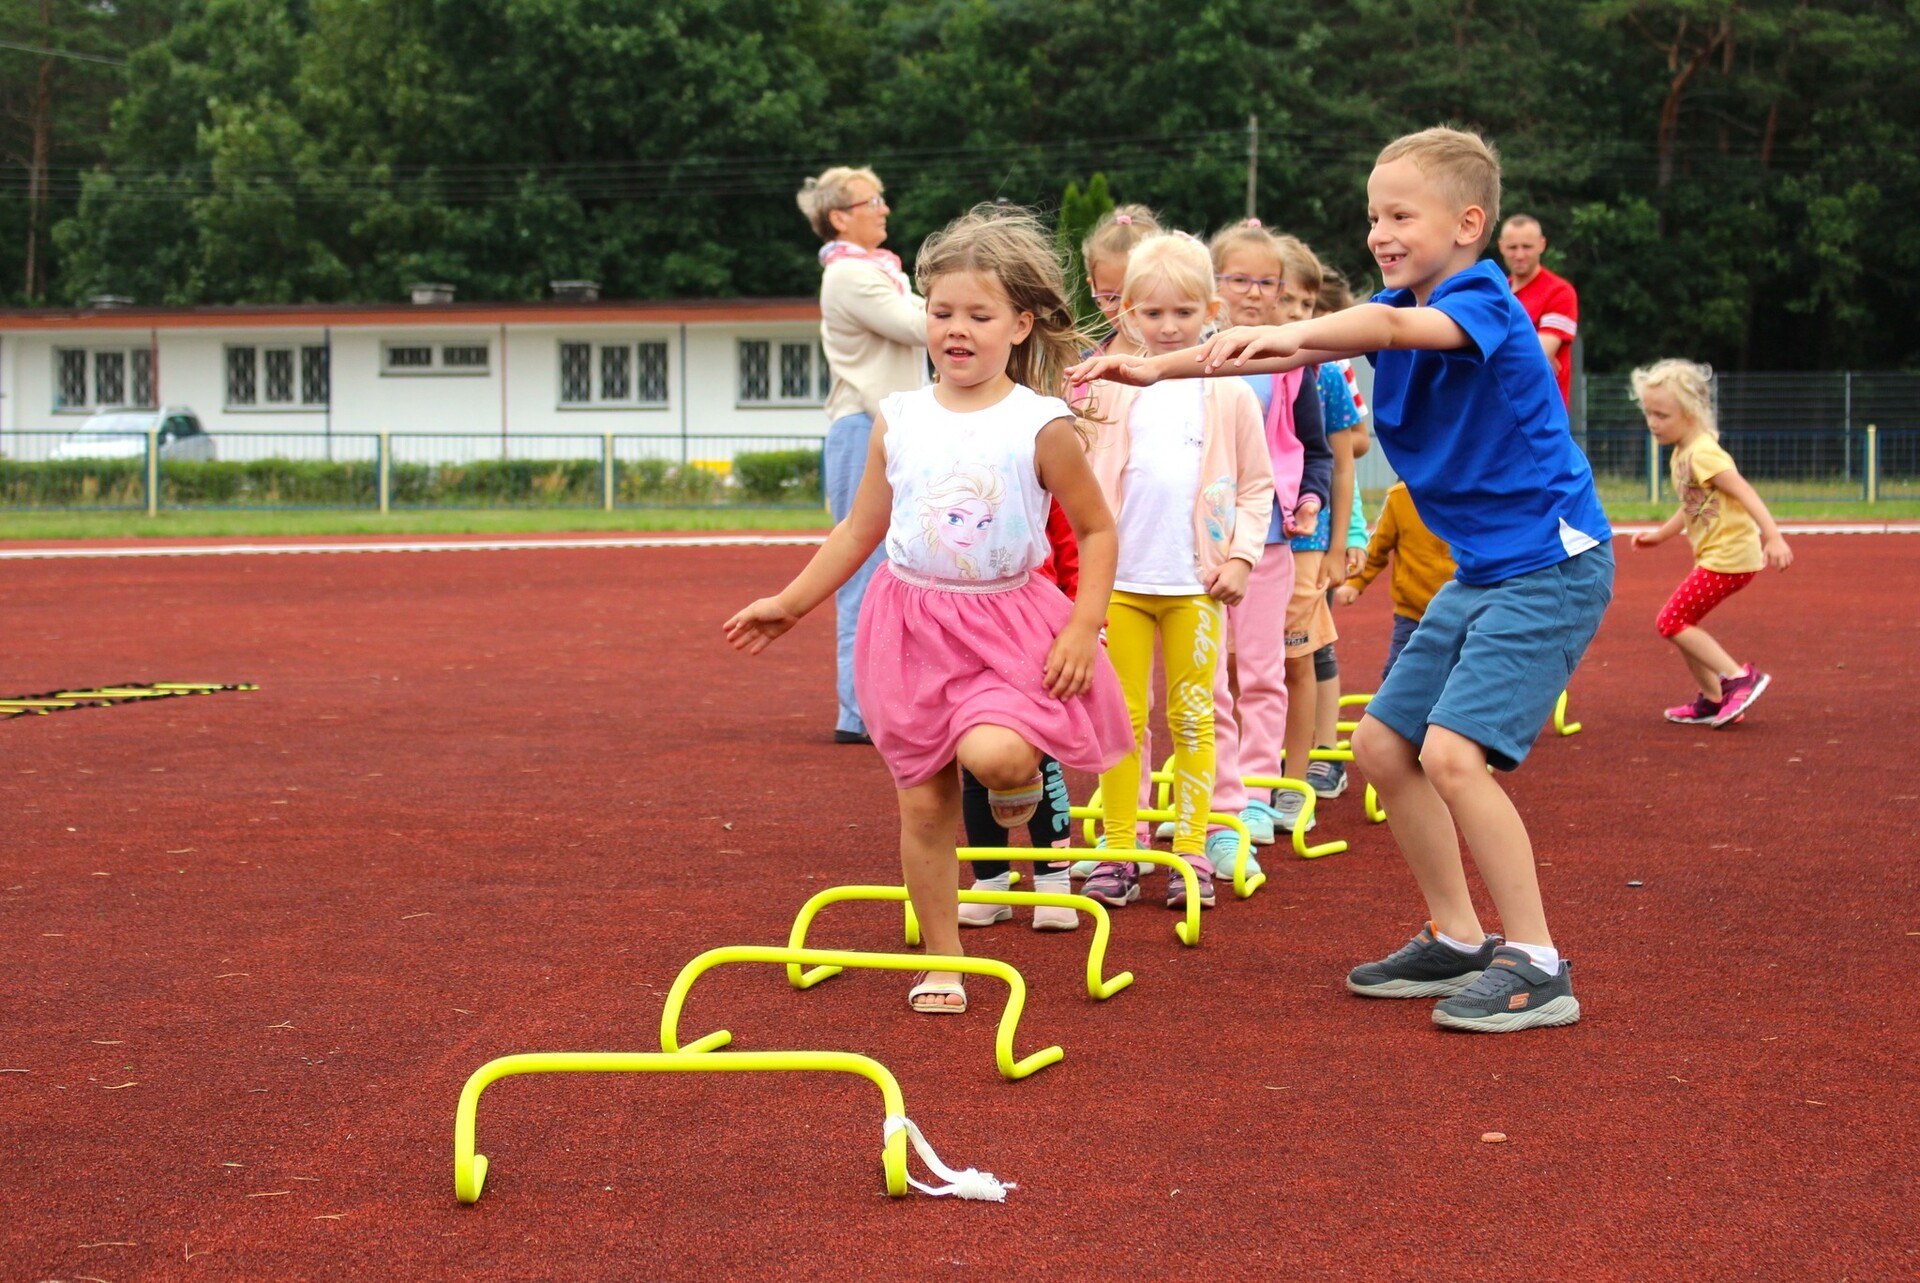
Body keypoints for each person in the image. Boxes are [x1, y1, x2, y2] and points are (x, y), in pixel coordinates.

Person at [1068, 126, 1615, 1034]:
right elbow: (1283, 354)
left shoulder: (1481, 300)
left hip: (1550, 564)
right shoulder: (1399, 304)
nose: (1379, 233)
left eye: (1400, 215)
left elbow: (1382, 330)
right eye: (1373, 216)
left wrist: (1293, 330)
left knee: (1452, 755)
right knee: (1383, 749)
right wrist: (1155, 366)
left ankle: (1538, 961)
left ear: (1468, 224)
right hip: (1485, 569)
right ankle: (1457, 935)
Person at [726, 204, 1131, 1015]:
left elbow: (1095, 528)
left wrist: (1084, 624)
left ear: (1020, 324)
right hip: (908, 628)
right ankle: (945, 960)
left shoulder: (1040, 423)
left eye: (979, 315)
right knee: (922, 803)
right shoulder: (899, 417)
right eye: (942, 312)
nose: (957, 330)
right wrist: (791, 604)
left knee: (999, 756)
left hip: (1006, 624)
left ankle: (1018, 787)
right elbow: (859, 530)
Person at [1078, 232, 1275, 910]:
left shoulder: (1230, 395)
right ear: (1127, 311)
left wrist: (1242, 557)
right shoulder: (1106, 391)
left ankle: (1190, 848)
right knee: (1122, 720)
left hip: (1197, 586)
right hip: (1120, 587)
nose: (1168, 327)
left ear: (1212, 311)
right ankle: (1119, 849)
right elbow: (1079, 481)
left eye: (1184, 313)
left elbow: (1257, 485)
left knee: (1193, 718)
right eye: (1153, 313)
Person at [1203, 220, 1328, 853]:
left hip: (1271, 536)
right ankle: (1212, 790)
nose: (1254, 293)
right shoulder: (1191, 357)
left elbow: (1315, 448)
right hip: (1201, 538)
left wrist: (1310, 498)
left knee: (1261, 668)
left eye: (1267, 283)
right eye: (1240, 280)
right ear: (1213, 284)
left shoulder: (1291, 361)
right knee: (1205, 676)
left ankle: (1253, 793)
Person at [797, 166, 927, 745]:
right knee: (861, 570)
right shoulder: (850, 274)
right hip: (863, 426)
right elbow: (918, 324)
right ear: (838, 217)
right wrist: (976, 304)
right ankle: (858, 714)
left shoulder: (881, 271)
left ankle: (882, 704)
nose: (884, 209)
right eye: (871, 201)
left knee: (897, 567)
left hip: (892, 425)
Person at [1628, 359, 1792, 726]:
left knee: (1671, 620)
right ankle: (1714, 699)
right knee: (1683, 623)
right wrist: (1660, 535)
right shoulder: (1682, 453)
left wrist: (1773, 536)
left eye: (1662, 415)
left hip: (1730, 557)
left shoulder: (1702, 452)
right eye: (1649, 413)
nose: (1652, 422)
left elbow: (1744, 491)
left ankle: (1740, 679)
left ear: (1691, 414)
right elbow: (1692, 504)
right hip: (1717, 556)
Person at [957, 497, 1081, 932]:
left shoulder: (1044, 473)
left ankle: (1054, 882)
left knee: (1041, 755)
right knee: (975, 758)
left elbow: (1076, 547)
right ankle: (990, 882)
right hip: (967, 627)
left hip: (1037, 630)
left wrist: (1084, 626)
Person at [1335, 480, 1456, 680]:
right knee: (1397, 677)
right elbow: (1377, 549)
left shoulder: (1469, 494)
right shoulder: (1399, 498)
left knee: (1459, 677)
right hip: (1413, 614)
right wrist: (1355, 583)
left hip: (1463, 614)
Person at [1498, 214, 1578, 408]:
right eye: (1512, 247)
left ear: (1542, 245)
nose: (1519, 255)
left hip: (1543, 413)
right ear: (1501, 247)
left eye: (1527, 247)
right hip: (1502, 410)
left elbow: (1534, 358)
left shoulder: (1559, 292)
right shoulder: (1496, 294)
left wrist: (1493, 350)